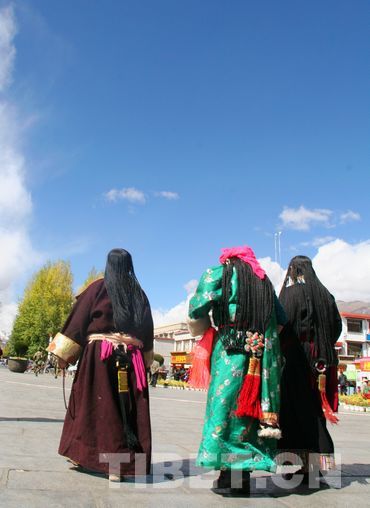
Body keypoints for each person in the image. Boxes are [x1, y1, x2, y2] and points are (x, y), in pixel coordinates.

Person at [47, 248, 154, 481]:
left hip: (101, 358)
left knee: (96, 407)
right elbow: (148, 331)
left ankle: (85, 455)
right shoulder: (140, 294)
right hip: (132, 357)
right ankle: (121, 466)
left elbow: (78, 321)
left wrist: (63, 356)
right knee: (126, 409)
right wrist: (145, 359)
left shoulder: (97, 288)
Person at [187, 245, 286, 495]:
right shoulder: (264, 282)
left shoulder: (219, 273)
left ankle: (226, 473)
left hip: (229, 351)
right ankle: (240, 475)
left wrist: (209, 325)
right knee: (249, 416)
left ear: (228, 259)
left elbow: (196, 308)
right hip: (260, 356)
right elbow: (281, 320)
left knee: (223, 410)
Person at [278, 255, 342, 479]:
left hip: (297, 359)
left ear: (294, 270)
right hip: (322, 362)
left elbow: (281, 325)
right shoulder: (326, 295)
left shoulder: (290, 293)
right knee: (315, 411)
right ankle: (312, 467)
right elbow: (336, 328)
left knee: (300, 412)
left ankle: (313, 466)